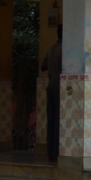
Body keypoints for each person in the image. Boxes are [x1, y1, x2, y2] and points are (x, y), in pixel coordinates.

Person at [40, 25, 62, 162]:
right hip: (61, 89)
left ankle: (51, 152)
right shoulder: (66, 50)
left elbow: (43, 66)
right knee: (59, 122)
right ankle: (58, 151)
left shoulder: (52, 49)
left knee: (51, 120)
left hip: (51, 87)